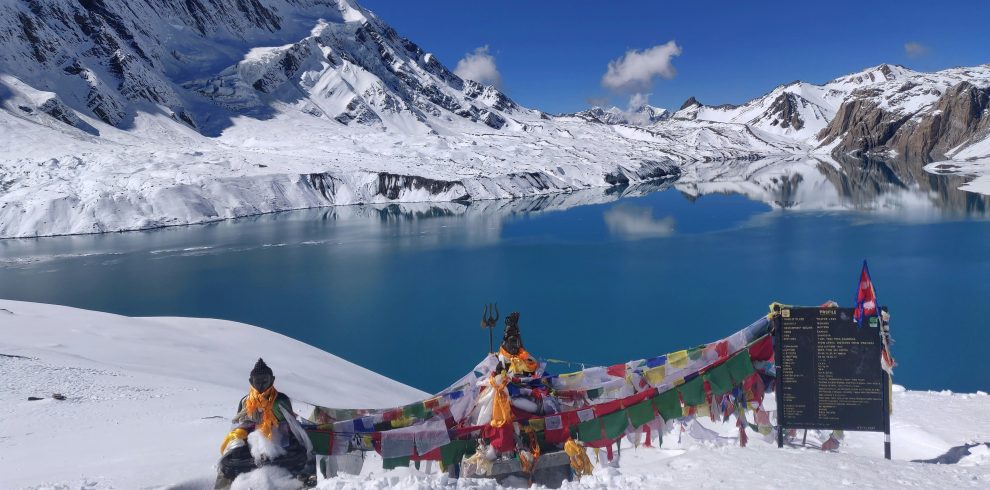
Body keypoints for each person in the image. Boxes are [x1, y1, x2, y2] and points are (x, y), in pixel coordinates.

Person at [215, 358, 314, 489]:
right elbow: (241, 423)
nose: (261, 385)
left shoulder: (280, 400)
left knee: (299, 454)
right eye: (257, 381)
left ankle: (300, 480)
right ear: (251, 381)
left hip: (280, 441)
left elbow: (291, 424)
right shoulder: (246, 402)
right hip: (251, 443)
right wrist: (239, 436)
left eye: (264, 380)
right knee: (228, 461)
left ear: (272, 380)